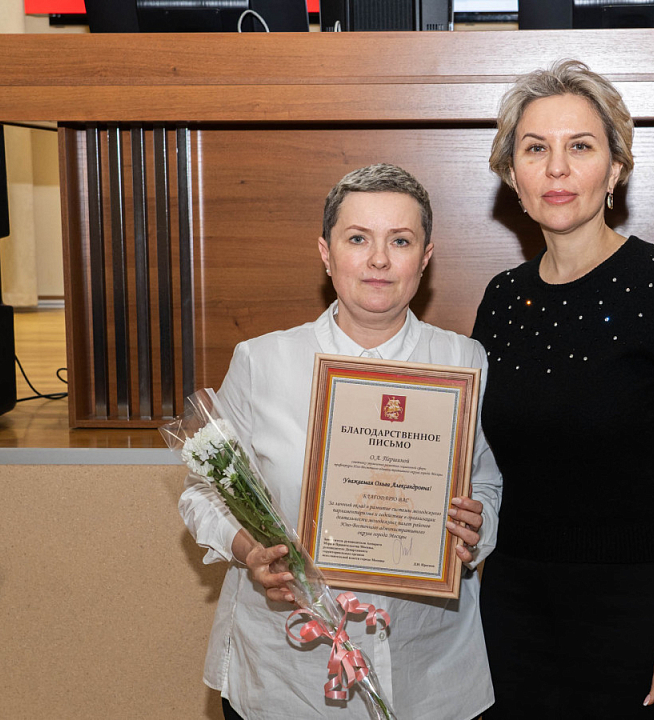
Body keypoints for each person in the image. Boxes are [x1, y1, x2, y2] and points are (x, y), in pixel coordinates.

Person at [180, 163, 501, 720]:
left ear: (425, 257)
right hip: (285, 676)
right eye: (357, 239)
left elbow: (489, 484)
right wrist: (250, 552)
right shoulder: (262, 361)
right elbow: (203, 493)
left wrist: (478, 529)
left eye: (400, 241)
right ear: (326, 254)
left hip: (429, 671)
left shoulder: (464, 361)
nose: (379, 260)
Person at [471, 60, 654, 720]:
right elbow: (485, 464)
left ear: (615, 169)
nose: (557, 169)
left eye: (581, 147)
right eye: (536, 149)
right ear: (513, 175)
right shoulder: (500, 301)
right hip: (512, 619)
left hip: (639, 620)